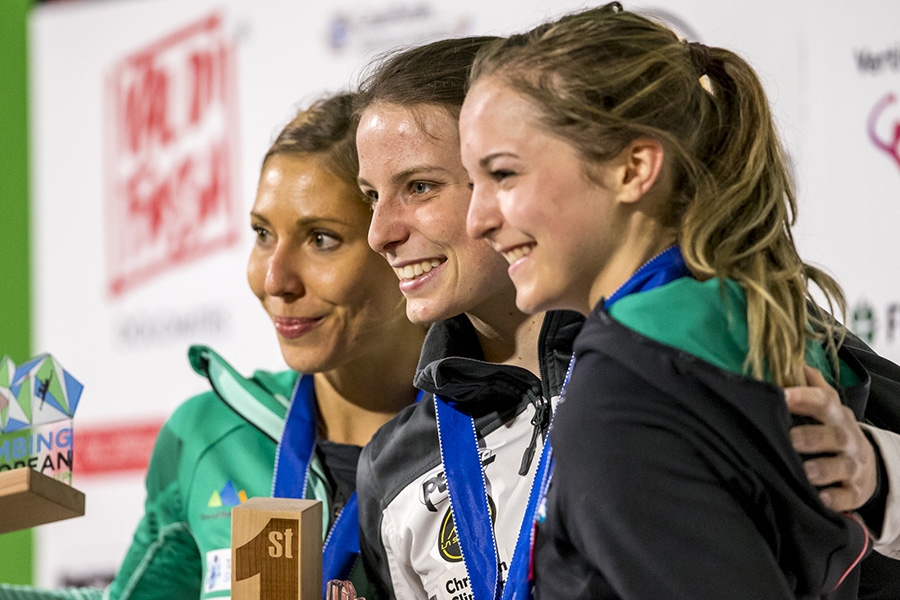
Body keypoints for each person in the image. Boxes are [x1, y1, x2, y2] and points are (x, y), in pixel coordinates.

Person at [459, 3, 900, 598]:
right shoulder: (763, 320)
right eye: (471, 183)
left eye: (504, 175)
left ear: (633, 168)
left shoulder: (623, 392)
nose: (477, 220)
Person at [0, 92, 425, 599]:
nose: (274, 279)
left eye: (321, 239)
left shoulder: (493, 436)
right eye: (263, 233)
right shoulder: (208, 433)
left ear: (399, 244)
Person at [353, 36, 584, 600]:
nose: (380, 233)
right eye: (371, 197)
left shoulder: (673, 367)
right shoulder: (395, 464)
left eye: (420, 186)